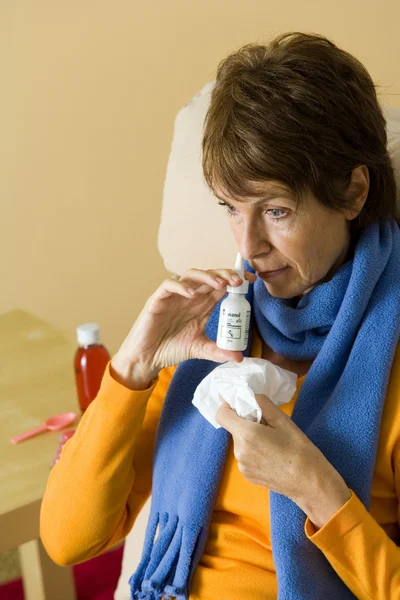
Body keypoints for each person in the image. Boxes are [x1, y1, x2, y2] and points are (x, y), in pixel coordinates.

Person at [40, 32, 400, 600]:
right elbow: (67, 542)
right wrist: (133, 367)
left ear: (354, 192)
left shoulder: (393, 358)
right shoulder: (204, 337)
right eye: (231, 208)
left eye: (276, 210)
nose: (248, 243)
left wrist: (313, 487)